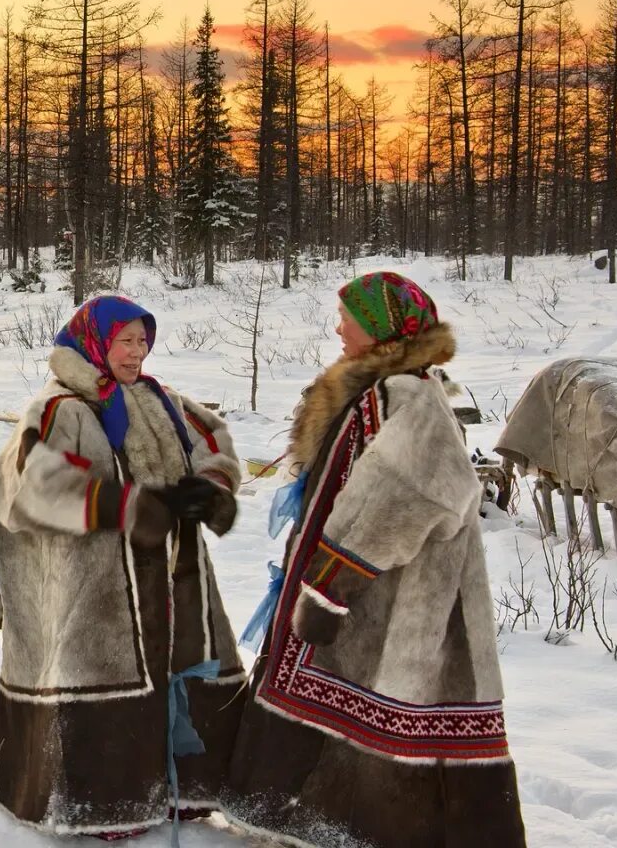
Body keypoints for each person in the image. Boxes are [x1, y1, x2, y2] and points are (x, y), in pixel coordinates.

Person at [224, 272, 525, 847]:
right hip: (373, 595)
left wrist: (333, 582)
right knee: (353, 692)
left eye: (350, 319)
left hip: (400, 596)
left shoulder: (408, 398)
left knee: (398, 696)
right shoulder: (383, 389)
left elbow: (419, 493)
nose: (339, 328)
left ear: (381, 329)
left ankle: (378, 828)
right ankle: (317, 819)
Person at [0, 294, 244, 839]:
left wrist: (211, 488)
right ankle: (102, 805)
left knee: (183, 660)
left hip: (175, 572)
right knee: (106, 673)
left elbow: (214, 440)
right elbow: (24, 485)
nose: (137, 351)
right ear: (95, 342)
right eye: (125, 340)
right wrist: (118, 506)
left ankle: (186, 790)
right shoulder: (62, 408)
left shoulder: (161, 400)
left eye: (143, 340)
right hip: (98, 584)